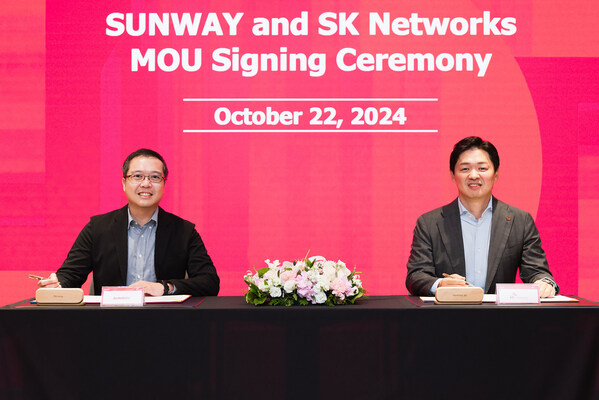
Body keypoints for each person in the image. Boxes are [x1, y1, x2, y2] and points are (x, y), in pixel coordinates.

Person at [39, 149, 219, 296]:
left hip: (165, 321)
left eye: (155, 177)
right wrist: (57, 285)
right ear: (124, 183)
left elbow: (209, 282)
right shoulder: (98, 228)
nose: (146, 184)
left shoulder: (184, 231)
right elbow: (70, 274)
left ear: (164, 184)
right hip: (109, 322)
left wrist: (165, 287)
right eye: (137, 176)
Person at [406, 136, 558, 298]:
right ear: (453, 175)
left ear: (496, 173)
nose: (473, 175)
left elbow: (536, 271)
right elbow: (416, 275)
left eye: (482, 168)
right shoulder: (430, 223)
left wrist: (544, 283)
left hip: (500, 313)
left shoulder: (520, 221)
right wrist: (440, 285)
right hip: (448, 312)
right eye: (465, 169)